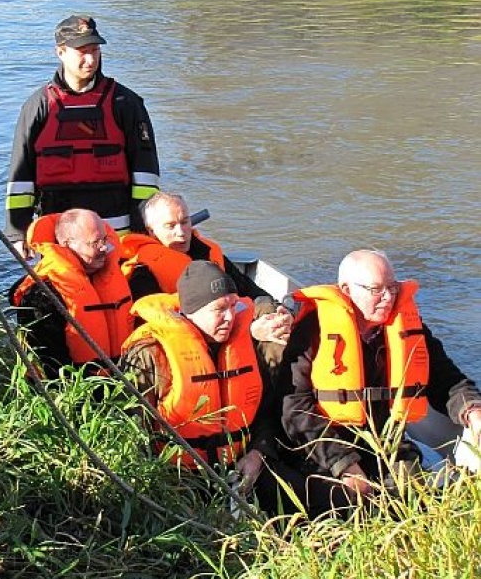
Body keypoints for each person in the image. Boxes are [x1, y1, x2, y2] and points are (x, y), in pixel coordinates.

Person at [120, 261, 348, 519]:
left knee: (334, 502)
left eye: (233, 306)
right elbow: (132, 435)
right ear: (191, 310)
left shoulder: (243, 345)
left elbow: (263, 414)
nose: (230, 317)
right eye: (219, 309)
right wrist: (163, 485)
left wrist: (257, 454)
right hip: (180, 479)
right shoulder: (150, 354)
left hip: (243, 468)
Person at [280, 249, 481, 497]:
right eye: (376, 290)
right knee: (341, 501)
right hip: (328, 446)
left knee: (412, 492)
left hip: (388, 443)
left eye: (393, 288)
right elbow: (294, 407)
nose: (387, 297)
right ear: (346, 290)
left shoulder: (410, 329)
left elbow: (446, 378)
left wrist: (472, 410)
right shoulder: (312, 332)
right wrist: (344, 465)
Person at [5, 15, 160, 254]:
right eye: (82, 51)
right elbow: (21, 177)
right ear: (60, 52)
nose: (90, 60)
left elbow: (145, 172)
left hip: (116, 229)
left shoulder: (125, 103)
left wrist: (143, 225)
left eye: (95, 50)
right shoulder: (38, 106)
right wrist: (18, 232)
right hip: (58, 229)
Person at [121, 191, 292, 376]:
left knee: (268, 310)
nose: (181, 232)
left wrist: (281, 315)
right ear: (151, 230)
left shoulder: (209, 252)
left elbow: (250, 290)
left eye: (185, 222)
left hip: (228, 325)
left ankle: (280, 395)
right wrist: (249, 330)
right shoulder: (142, 272)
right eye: (170, 226)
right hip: (185, 349)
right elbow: (163, 327)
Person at [9, 209, 133, 379]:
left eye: (105, 239)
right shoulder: (43, 294)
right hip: (79, 386)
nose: (104, 247)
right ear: (68, 245)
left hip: (125, 378)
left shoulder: (119, 272)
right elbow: (48, 363)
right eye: (95, 243)